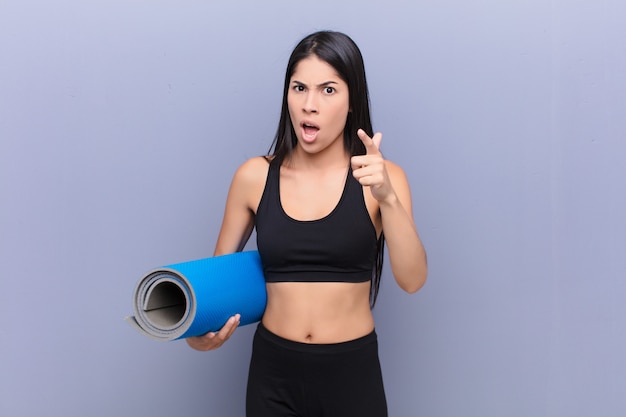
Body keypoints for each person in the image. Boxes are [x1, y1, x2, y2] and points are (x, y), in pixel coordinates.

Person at [186, 30, 427, 417]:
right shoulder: (254, 176)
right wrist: (199, 334)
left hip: (352, 375)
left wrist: (389, 199)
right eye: (299, 88)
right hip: (273, 374)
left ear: (352, 103)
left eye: (328, 90)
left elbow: (413, 280)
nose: (309, 105)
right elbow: (215, 286)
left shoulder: (383, 179)